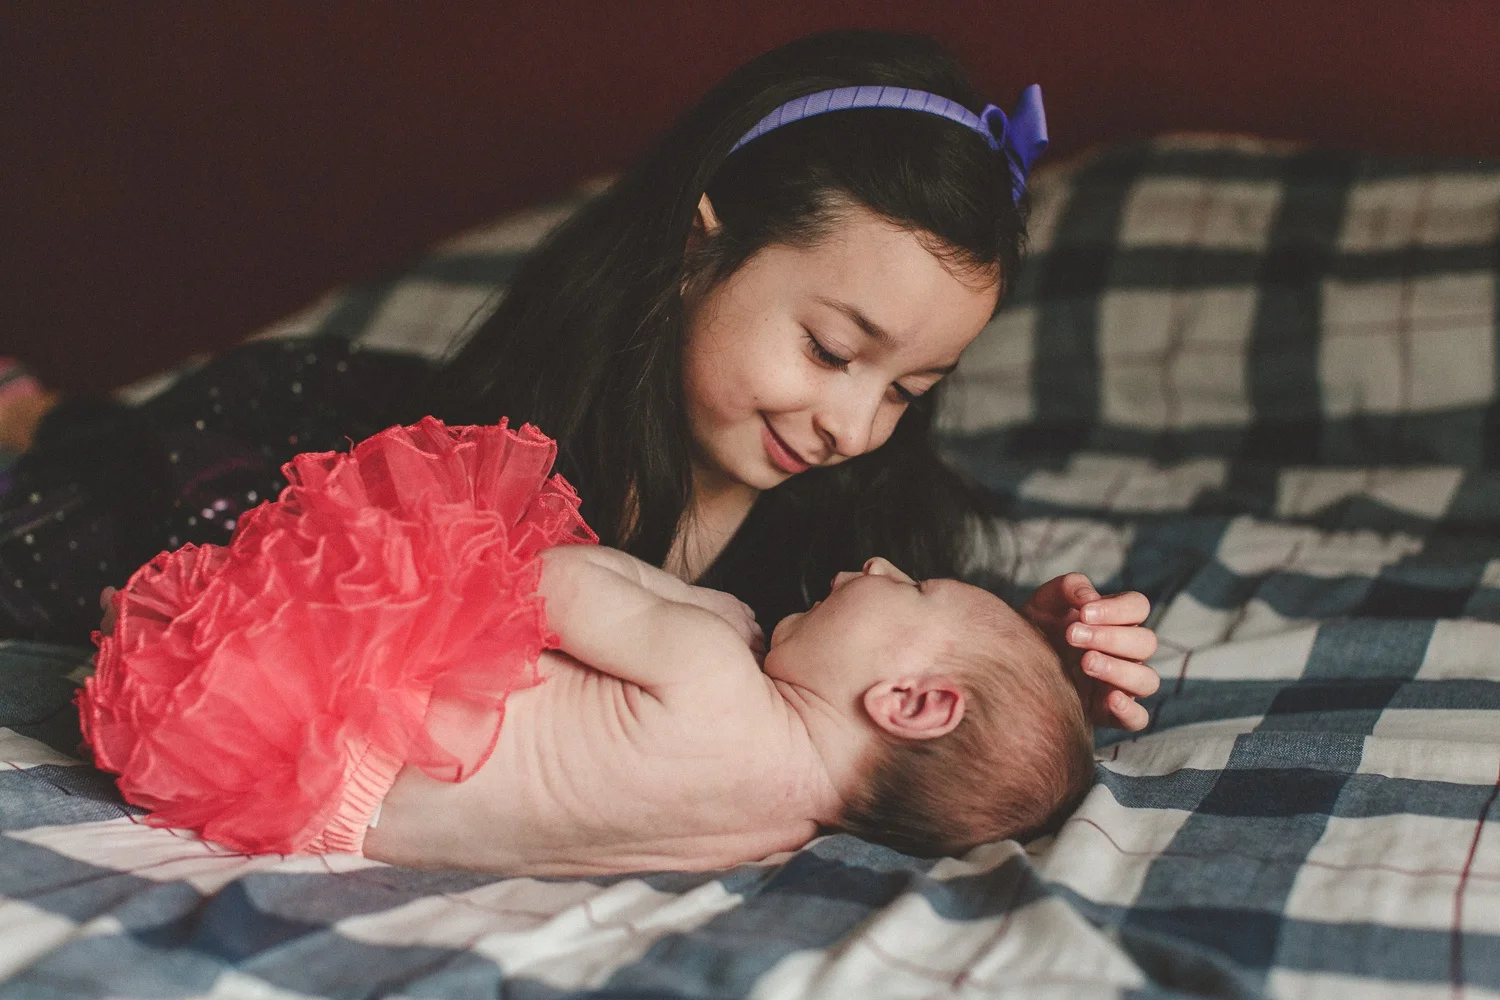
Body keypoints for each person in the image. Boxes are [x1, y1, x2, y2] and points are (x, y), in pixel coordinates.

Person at [4, 30, 1159, 728]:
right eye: (830, 350)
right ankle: (36, 410)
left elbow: (887, 705)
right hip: (284, 437)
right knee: (94, 503)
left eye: (909, 390)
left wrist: (1018, 665)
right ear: (697, 249)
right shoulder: (495, 460)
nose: (855, 425)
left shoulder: (857, 536)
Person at [79, 419, 1104, 870]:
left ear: (911, 703)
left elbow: (547, 582)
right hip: (321, 814)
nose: (878, 564)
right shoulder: (772, 834)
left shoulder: (715, 671)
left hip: (319, 715)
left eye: (911, 586)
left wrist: (696, 603)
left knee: (386, 554)